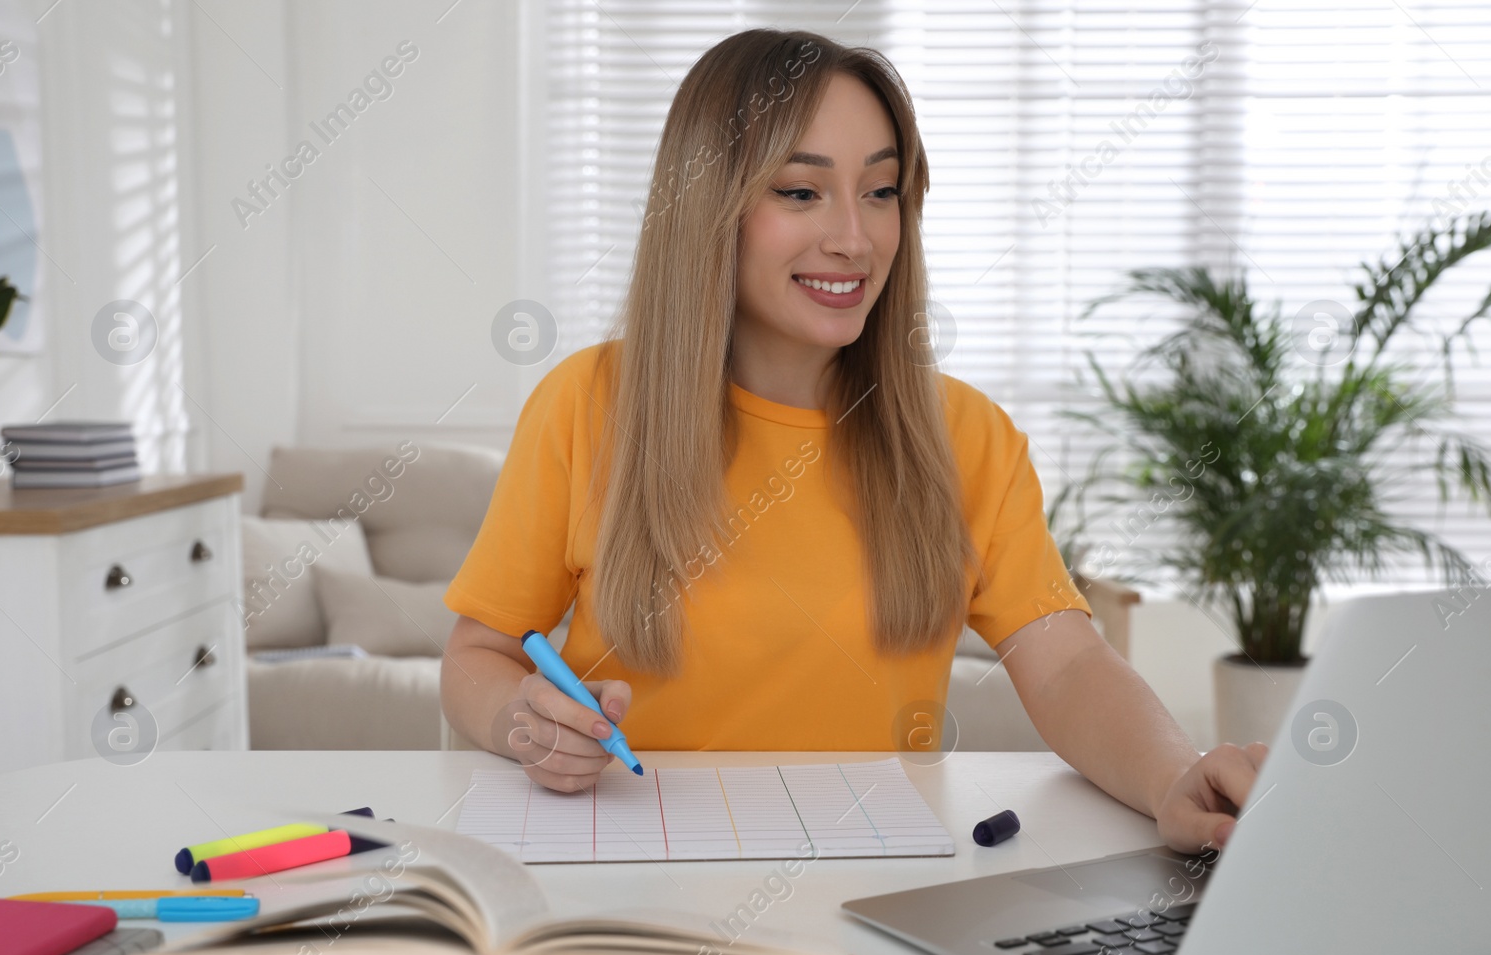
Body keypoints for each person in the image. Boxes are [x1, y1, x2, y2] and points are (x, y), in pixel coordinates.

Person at [440, 28, 1267, 854]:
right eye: (801, 192)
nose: (855, 237)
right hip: (626, 871)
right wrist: (520, 718)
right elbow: (479, 652)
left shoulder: (967, 437)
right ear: (709, 207)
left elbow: (1067, 667)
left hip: (868, 879)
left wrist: (1172, 775)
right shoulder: (585, 406)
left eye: (881, 191)